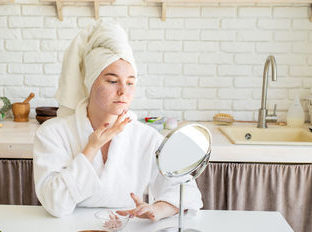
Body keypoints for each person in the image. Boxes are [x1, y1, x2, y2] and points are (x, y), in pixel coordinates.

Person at [33, 20, 203, 220]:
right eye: (112, 81)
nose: (123, 91)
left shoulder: (146, 137)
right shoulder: (53, 133)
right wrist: (91, 147)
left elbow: (187, 191)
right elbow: (55, 204)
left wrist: (158, 209)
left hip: (128, 228)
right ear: (90, 82)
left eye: (131, 83)